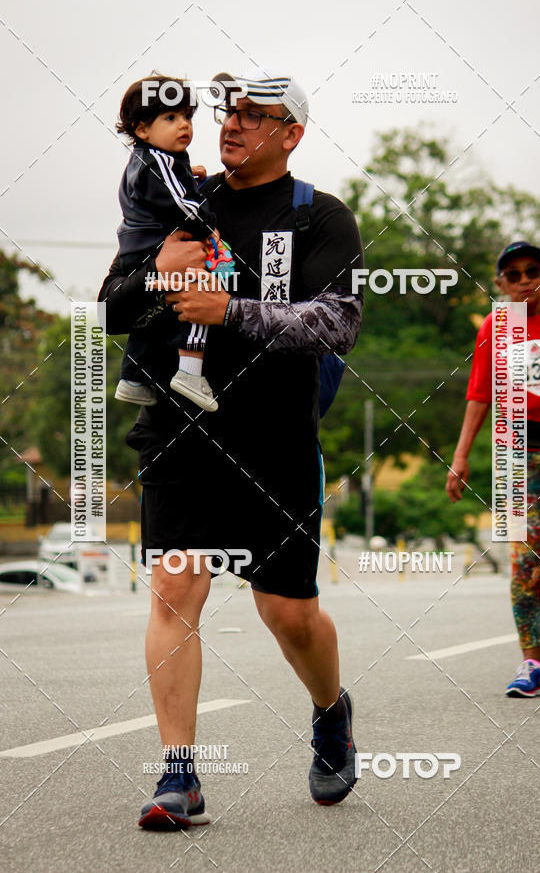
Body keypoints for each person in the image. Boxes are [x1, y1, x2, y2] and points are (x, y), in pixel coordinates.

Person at [98, 67, 364, 828]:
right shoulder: (180, 198)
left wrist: (233, 309)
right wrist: (157, 274)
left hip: (275, 437)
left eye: (253, 114)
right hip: (178, 429)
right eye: (227, 110)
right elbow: (111, 309)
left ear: (291, 135)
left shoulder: (320, 215)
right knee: (175, 589)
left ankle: (329, 708)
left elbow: (337, 324)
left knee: (288, 612)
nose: (231, 123)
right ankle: (179, 776)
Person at [447, 241, 540, 697]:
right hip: (516, 452)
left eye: (532, 270)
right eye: (513, 274)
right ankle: (531, 664)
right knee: (523, 562)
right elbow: (479, 395)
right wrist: (460, 457)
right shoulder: (496, 329)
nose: (525, 280)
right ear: (500, 284)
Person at [114, 74, 235, 412]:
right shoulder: (158, 162)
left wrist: (187, 175)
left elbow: (170, 185)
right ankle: (190, 370)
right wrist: (207, 225)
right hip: (157, 249)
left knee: (154, 312)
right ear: (141, 129)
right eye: (170, 118)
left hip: (138, 251)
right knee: (202, 291)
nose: (183, 125)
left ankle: (133, 378)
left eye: (187, 117)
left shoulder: (147, 159)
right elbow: (182, 204)